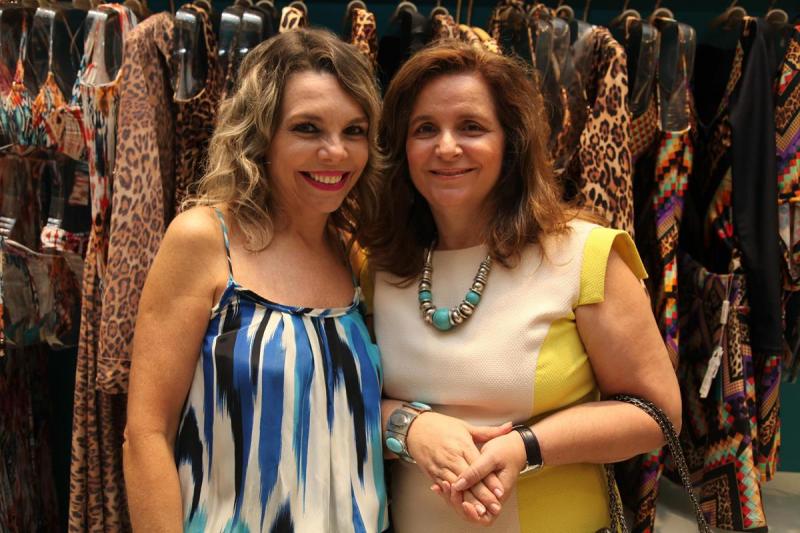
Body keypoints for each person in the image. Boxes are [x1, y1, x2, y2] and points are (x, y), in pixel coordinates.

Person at [359, 42, 681, 532]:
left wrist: (526, 447)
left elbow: (657, 414)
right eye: (425, 129)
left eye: (471, 126)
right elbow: (340, 398)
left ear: (511, 142)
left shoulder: (585, 255)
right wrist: (408, 426)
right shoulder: (380, 266)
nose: (446, 147)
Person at [123, 29, 388, 533]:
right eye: (307, 128)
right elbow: (146, 435)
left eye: (354, 131)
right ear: (261, 136)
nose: (336, 152)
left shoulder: (353, 252)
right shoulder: (206, 241)